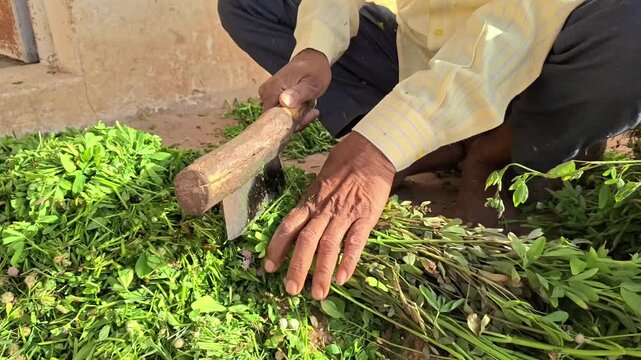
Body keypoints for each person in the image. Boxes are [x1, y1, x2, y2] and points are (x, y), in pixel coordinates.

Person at [218, 0, 641, 301]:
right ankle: (437, 141)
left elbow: (515, 25)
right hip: (419, 63)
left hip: (541, 70)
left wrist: (379, 147)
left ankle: (496, 154)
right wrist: (314, 50)